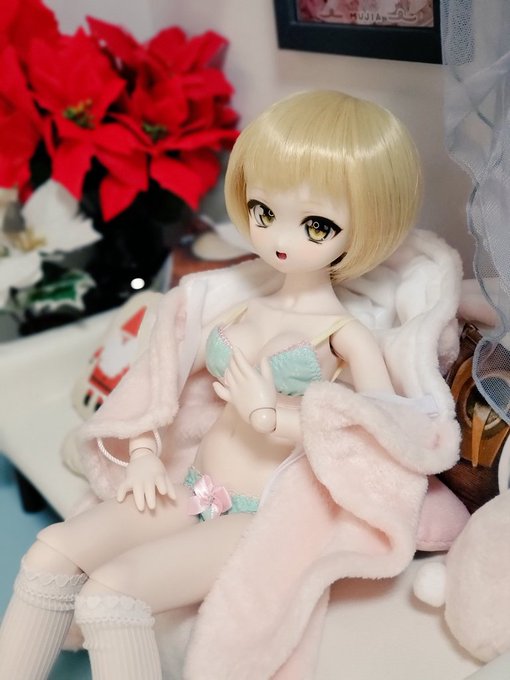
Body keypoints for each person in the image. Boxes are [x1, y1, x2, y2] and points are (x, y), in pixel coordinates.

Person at [0, 90, 424, 679]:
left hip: (257, 518)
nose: (279, 237)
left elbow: (381, 438)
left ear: (366, 226)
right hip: (194, 489)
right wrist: (143, 452)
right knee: (50, 553)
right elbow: (158, 381)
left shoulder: (344, 336)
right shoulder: (236, 304)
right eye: (263, 211)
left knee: (109, 593)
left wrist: (269, 416)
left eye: (316, 224)